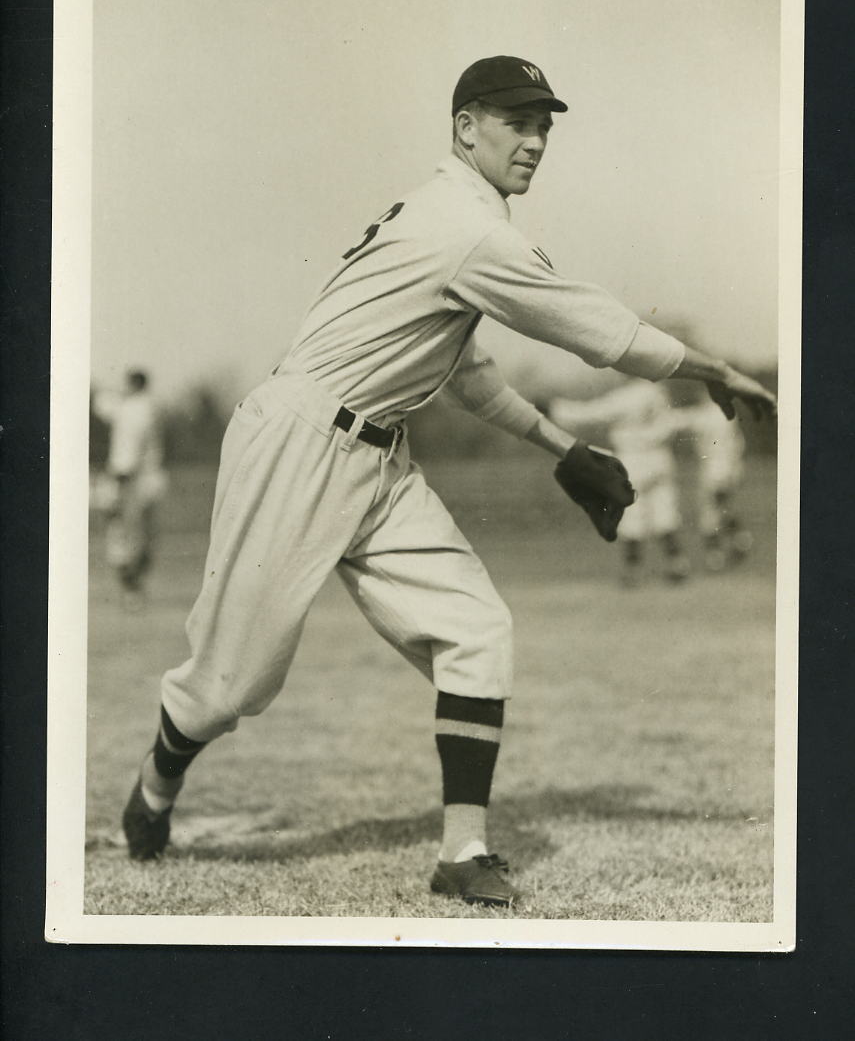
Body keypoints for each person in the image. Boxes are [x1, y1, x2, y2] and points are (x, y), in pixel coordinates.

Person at [121, 55, 776, 907]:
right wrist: (711, 368)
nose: (535, 140)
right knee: (229, 687)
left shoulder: (452, 221)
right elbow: (596, 328)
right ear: (465, 127)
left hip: (376, 454)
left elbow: (467, 375)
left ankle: (462, 848)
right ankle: (159, 778)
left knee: (475, 627)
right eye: (516, 121)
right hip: (294, 441)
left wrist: (560, 446)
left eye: (544, 124)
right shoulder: (464, 228)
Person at [549, 378, 691, 586]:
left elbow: (592, 413)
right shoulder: (660, 393)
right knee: (665, 511)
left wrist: (555, 408)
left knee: (633, 515)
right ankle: (676, 562)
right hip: (660, 457)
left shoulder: (628, 396)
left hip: (634, 457)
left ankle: (633, 570)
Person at [94, 369, 167, 605]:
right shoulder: (131, 405)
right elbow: (102, 405)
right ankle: (131, 587)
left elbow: (131, 445)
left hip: (132, 478)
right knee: (126, 532)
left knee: (130, 533)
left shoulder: (140, 408)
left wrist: (121, 478)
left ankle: (132, 587)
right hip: (134, 477)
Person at [672, 388, 753, 570]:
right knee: (716, 510)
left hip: (715, 467)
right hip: (729, 466)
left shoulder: (707, 414)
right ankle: (726, 548)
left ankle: (736, 541)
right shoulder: (726, 414)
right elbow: (739, 444)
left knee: (713, 511)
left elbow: (683, 420)